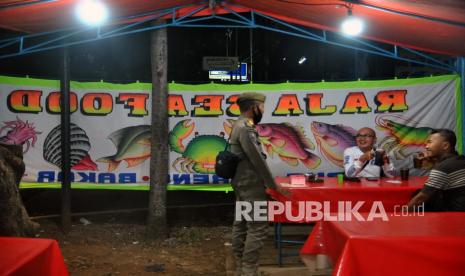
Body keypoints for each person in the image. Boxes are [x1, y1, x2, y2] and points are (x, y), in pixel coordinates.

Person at [229, 92, 282, 276]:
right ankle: (248, 270)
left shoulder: (239, 124)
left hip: (242, 182)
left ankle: (239, 267)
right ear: (254, 107)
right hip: (251, 183)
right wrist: (273, 185)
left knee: (242, 223)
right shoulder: (245, 128)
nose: (263, 110)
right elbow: (257, 159)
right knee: (258, 227)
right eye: (262, 107)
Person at [407, 129, 465, 211]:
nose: (426, 146)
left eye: (430, 142)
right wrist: (430, 160)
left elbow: (420, 198)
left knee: (419, 197)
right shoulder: (460, 159)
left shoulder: (443, 167)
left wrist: (400, 217)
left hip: (456, 215)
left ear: (445, 146)